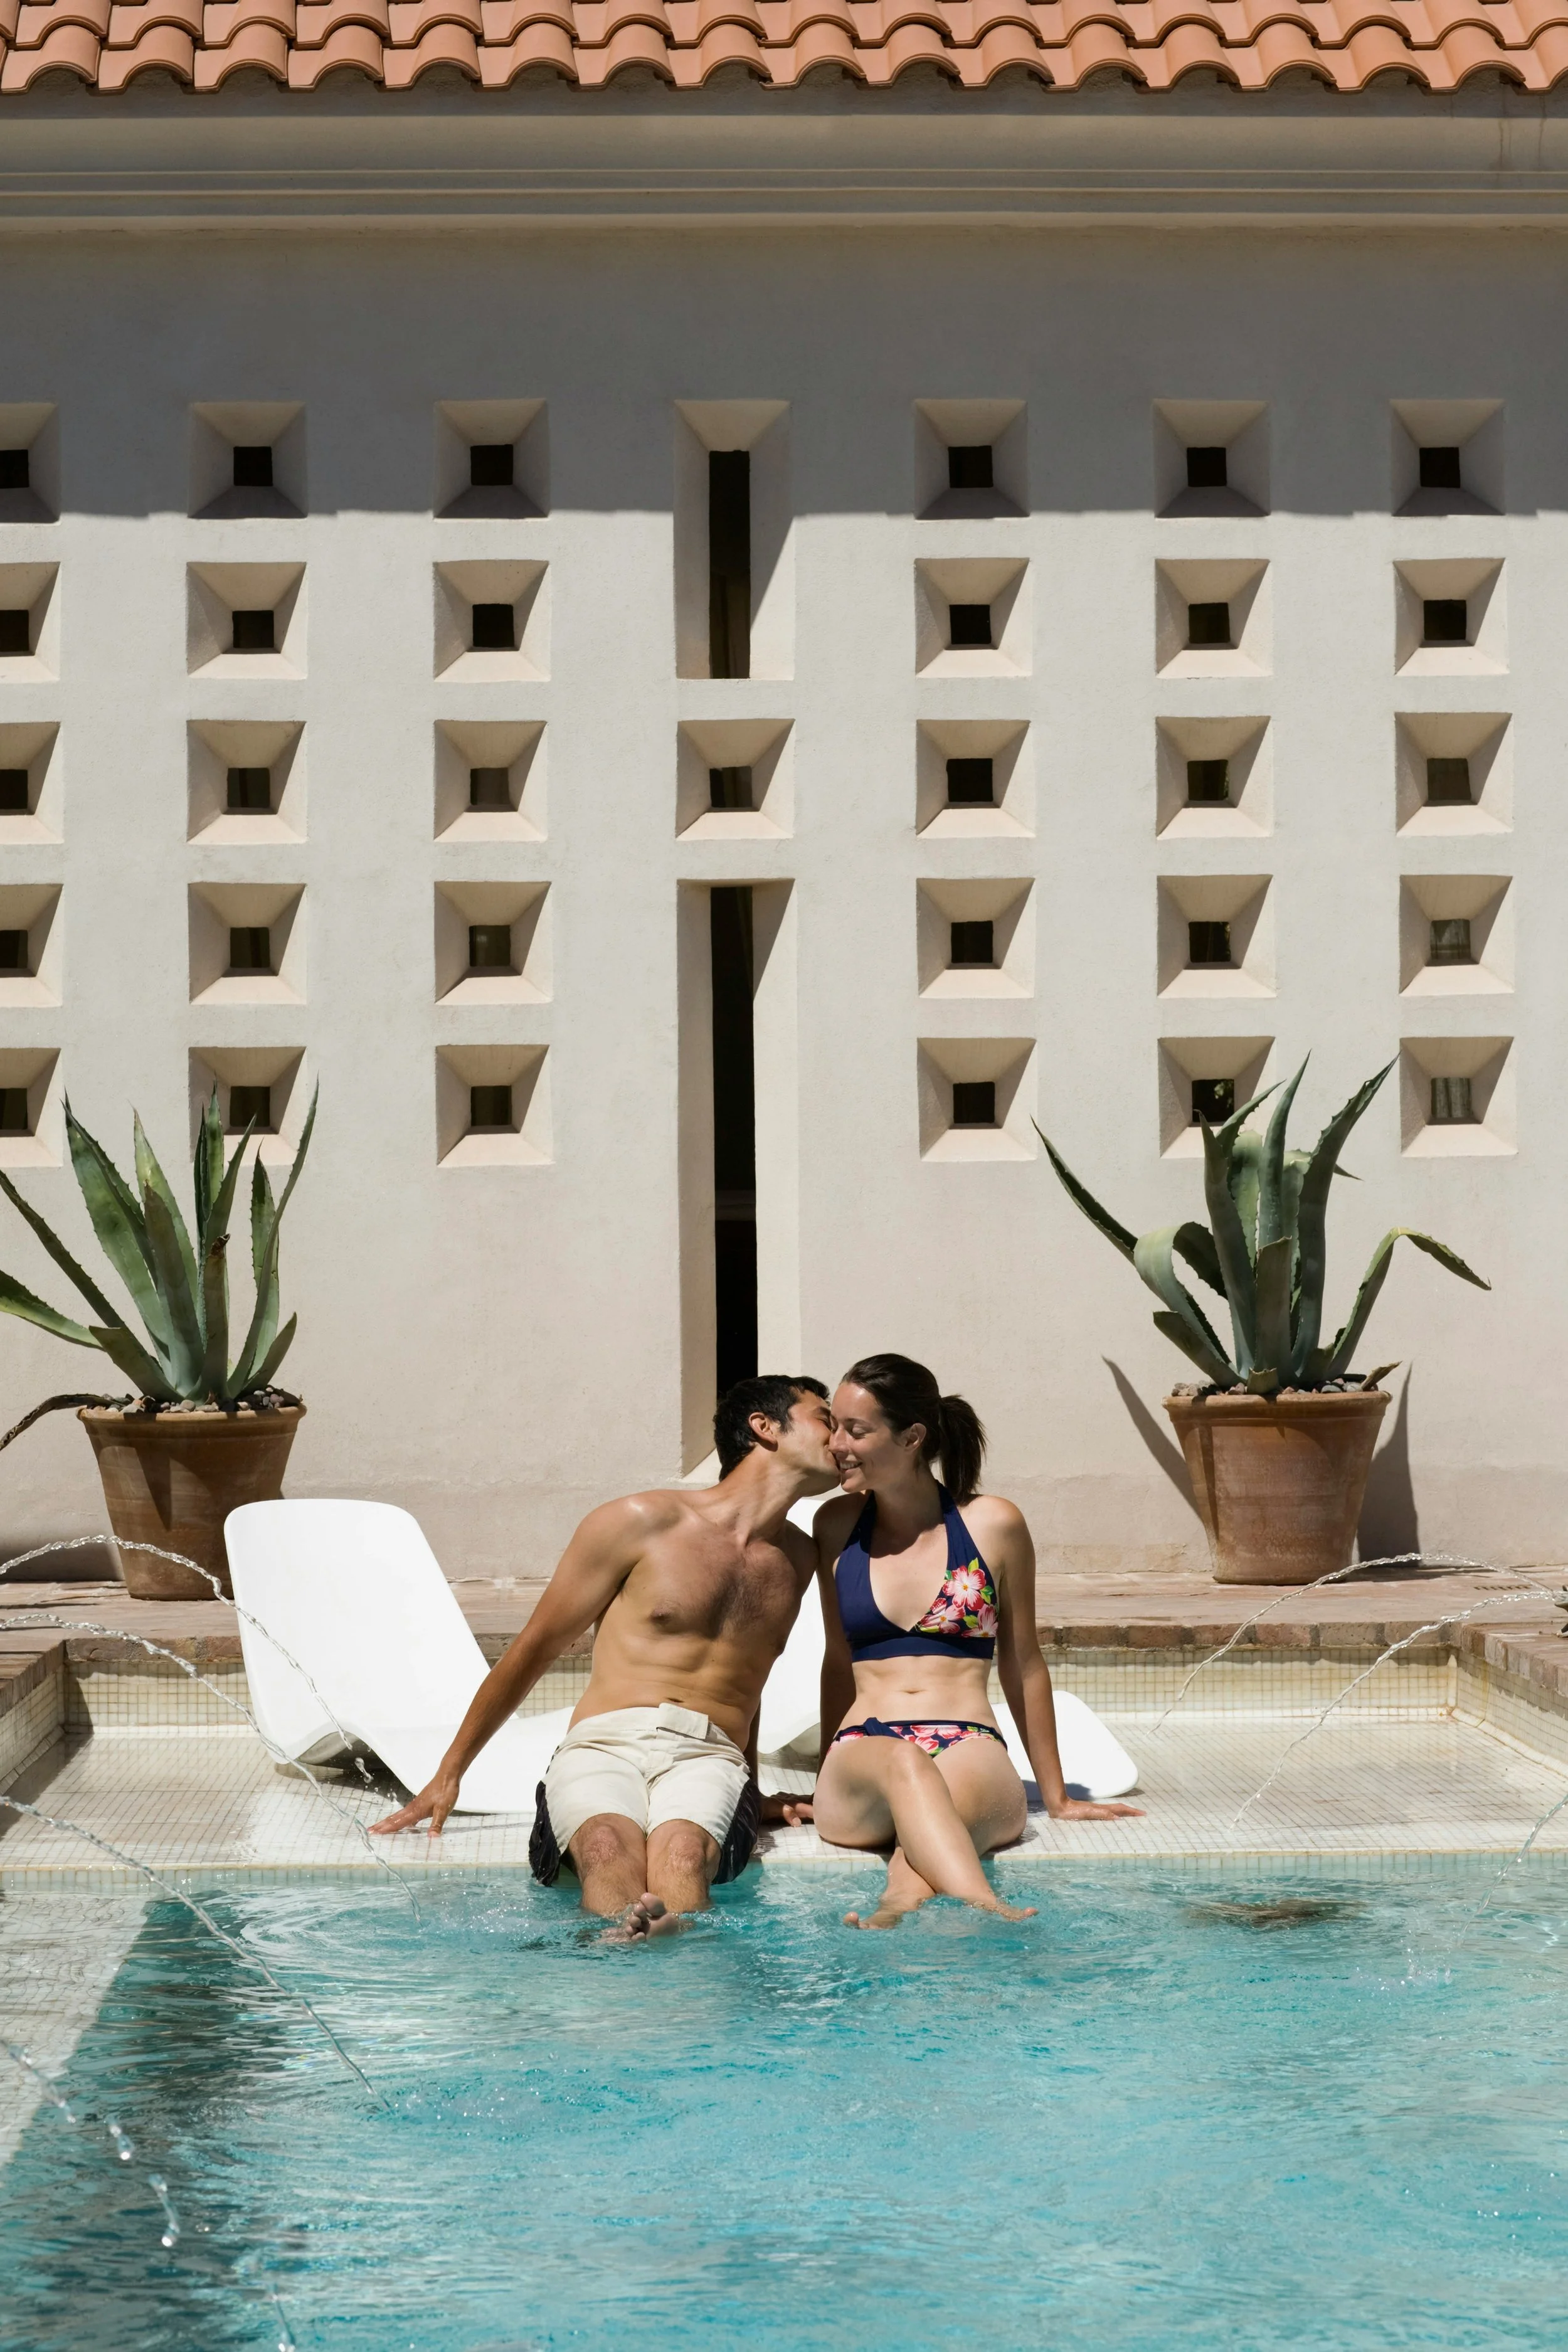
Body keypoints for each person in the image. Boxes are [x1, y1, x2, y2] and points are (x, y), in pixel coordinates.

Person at [371, 1375, 838, 1939]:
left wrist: (753, 1788)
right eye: (824, 1418)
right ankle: (626, 1957)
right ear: (765, 1428)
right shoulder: (640, 1521)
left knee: (684, 1856)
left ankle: (659, 1951)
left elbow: (751, 1676)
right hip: (605, 1739)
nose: (841, 1437)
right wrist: (449, 1774)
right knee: (603, 1847)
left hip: (708, 1753)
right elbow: (535, 1648)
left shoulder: (800, 1557)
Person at [797, 1353, 1142, 1929]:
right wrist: (829, 1768)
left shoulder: (992, 1524)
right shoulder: (834, 1526)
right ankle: (985, 1902)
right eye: (835, 1425)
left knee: (932, 1818)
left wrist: (1056, 1796)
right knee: (906, 1764)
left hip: (967, 1741)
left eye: (856, 1430)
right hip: (866, 1745)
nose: (837, 1443)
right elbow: (838, 1661)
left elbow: (1024, 1664)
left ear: (912, 1437)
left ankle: (899, 1898)